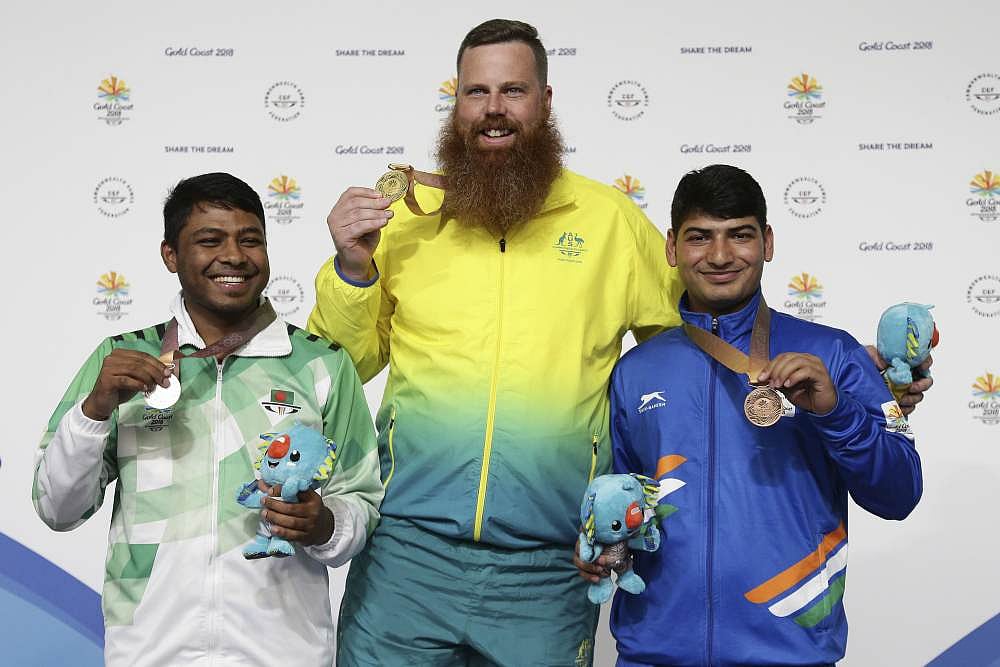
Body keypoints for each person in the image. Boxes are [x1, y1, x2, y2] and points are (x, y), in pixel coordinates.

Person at [310, 18, 930, 665]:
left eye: (514, 90)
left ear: (545, 102)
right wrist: (354, 270)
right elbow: (338, 370)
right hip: (409, 556)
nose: (494, 110)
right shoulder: (405, 224)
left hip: (546, 568)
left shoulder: (608, 220)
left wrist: (859, 376)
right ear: (456, 102)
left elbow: (710, 333)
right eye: (476, 92)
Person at [576, 164, 923, 666]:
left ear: (768, 242)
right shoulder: (636, 371)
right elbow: (622, 502)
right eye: (700, 237)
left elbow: (900, 493)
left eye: (739, 235)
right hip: (654, 654)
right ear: (672, 248)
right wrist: (604, 547)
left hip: (789, 652)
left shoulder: (834, 354)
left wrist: (835, 413)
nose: (719, 256)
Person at [33, 173, 382, 666]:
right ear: (170, 255)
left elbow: (360, 499)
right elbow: (57, 509)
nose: (235, 256)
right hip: (150, 652)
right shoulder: (123, 357)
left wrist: (324, 524)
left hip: (283, 653)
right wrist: (93, 412)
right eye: (209, 240)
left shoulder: (320, 363)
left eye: (250, 240)